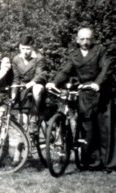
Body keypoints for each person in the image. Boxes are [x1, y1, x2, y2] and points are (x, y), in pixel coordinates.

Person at [46, 27, 116, 172]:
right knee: (88, 128)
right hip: (84, 94)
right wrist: (54, 82)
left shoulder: (101, 50)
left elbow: (107, 68)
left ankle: (109, 164)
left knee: (105, 128)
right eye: (82, 39)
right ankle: (92, 161)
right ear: (77, 40)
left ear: (93, 39)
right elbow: (65, 71)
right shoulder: (75, 55)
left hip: (102, 93)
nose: (85, 42)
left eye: (88, 39)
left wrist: (98, 83)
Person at [11, 35, 48, 134]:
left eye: (28, 48)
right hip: (23, 86)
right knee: (22, 118)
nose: (25, 51)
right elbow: (16, 78)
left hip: (36, 83)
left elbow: (40, 75)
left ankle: (34, 118)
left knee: (36, 89)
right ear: (19, 47)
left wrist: (31, 83)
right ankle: (24, 139)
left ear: (32, 48)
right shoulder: (16, 59)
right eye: (23, 48)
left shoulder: (39, 58)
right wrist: (13, 92)